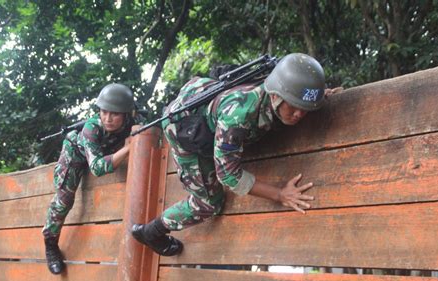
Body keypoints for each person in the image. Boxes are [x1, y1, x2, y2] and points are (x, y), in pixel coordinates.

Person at [131, 53, 342, 256]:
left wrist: (317, 98)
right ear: (276, 96)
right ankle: (151, 232)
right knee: (209, 202)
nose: (299, 114)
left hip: (213, 112)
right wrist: (279, 195)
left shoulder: (281, 87)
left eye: (305, 108)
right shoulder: (240, 113)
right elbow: (229, 176)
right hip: (184, 129)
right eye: (294, 106)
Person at [43, 83, 135, 274]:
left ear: (126, 114)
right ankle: (50, 242)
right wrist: (128, 148)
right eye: (104, 112)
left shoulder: (134, 121)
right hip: (76, 155)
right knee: (64, 200)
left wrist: (139, 136)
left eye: (115, 114)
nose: (108, 118)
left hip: (103, 153)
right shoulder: (91, 128)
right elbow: (97, 168)